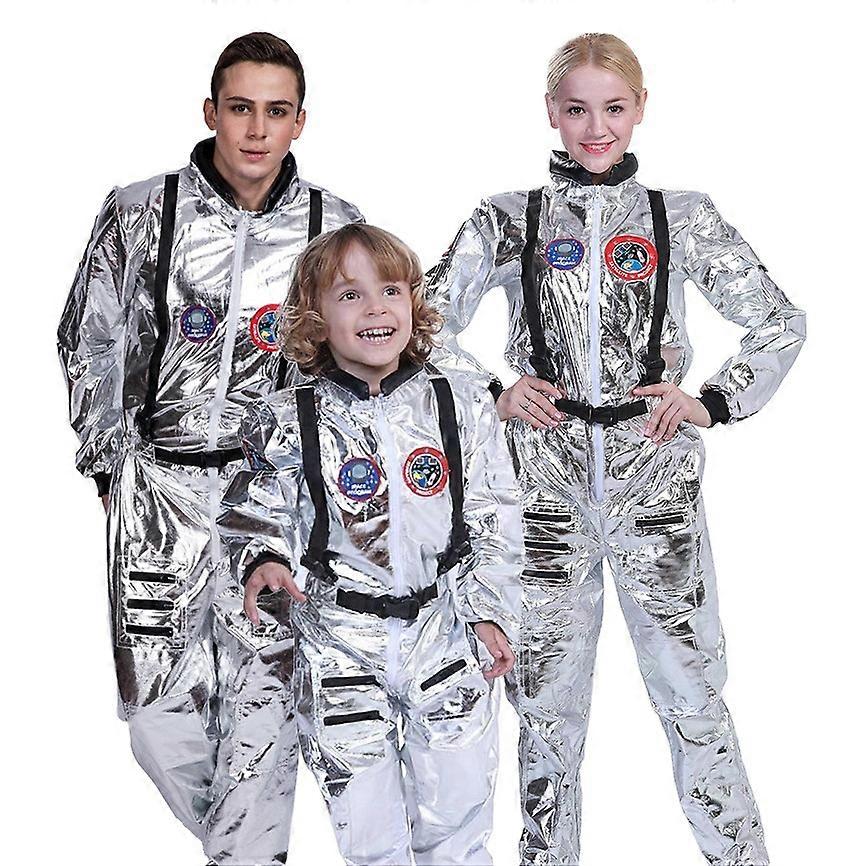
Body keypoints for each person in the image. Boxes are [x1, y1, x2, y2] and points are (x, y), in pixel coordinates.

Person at [426, 32, 805, 866]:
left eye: (613, 108)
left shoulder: (681, 217)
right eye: (577, 109)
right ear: (550, 112)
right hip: (543, 490)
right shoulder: (509, 218)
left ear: (640, 109)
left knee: (692, 695)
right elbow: (417, 325)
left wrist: (713, 402)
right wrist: (493, 393)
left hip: (654, 486)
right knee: (544, 707)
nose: (595, 128)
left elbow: (779, 321)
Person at [57, 32, 363, 865]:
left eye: (276, 111)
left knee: (265, 701)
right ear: (211, 113)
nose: (256, 131)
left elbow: (367, 351)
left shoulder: (333, 226)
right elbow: (90, 336)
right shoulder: (141, 210)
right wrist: (109, 462)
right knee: (154, 712)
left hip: (268, 499)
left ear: (300, 121)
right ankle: (246, 846)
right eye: (240, 109)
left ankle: (250, 857)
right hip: (158, 488)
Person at [219, 224, 523, 865]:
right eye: (350, 295)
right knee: (367, 829)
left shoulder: (459, 401)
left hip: (445, 629)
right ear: (314, 317)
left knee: (458, 819)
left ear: (414, 302)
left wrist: (491, 611)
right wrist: (264, 560)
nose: (376, 309)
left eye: (391, 290)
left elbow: (495, 512)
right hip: (339, 640)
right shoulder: (288, 416)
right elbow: (256, 504)